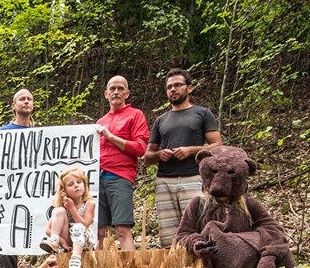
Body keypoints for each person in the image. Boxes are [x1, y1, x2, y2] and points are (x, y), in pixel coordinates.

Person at [144, 68, 222, 248]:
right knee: (168, 235)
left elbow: (217, 145)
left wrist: (190, 150)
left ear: (189, 88)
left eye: (178, 85)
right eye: (169, 87)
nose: (173, 89)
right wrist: (159, 155)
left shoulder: (202, 114)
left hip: (193, 177)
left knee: (197, 228)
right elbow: (147, 157)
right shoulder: (161, 120)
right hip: (164, 180)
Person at [95, 76, 149, 251]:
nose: (116, 92)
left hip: (119, 177)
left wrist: (110, 137)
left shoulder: (135, 115)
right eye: (112, 89)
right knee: (100, 231)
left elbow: (140, 148)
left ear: (127, 93)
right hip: (97, 179)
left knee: (122, 229)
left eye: (120, 88)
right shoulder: (100, 122)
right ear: (106, 94)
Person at [0, 88, 36, 268]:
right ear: (14, 106)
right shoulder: (3, 132)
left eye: (29, 99)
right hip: (10, 190)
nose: (26, 101)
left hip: (34, 189)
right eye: (22, 99)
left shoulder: (39, 133)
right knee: (8, 232)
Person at [39, 168, 97, 268]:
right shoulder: (63, 206)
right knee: (59, 210)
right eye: (71, 184)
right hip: (69, 241)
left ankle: (75, 260)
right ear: (64, 191)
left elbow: (85, 225)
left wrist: (72, 209)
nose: (76, 185)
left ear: (84, 185)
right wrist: (63, 241)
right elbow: (48, 230)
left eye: (79, 182)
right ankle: (54, 241)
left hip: (85, 241)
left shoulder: (89, 203)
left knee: (78, 227)